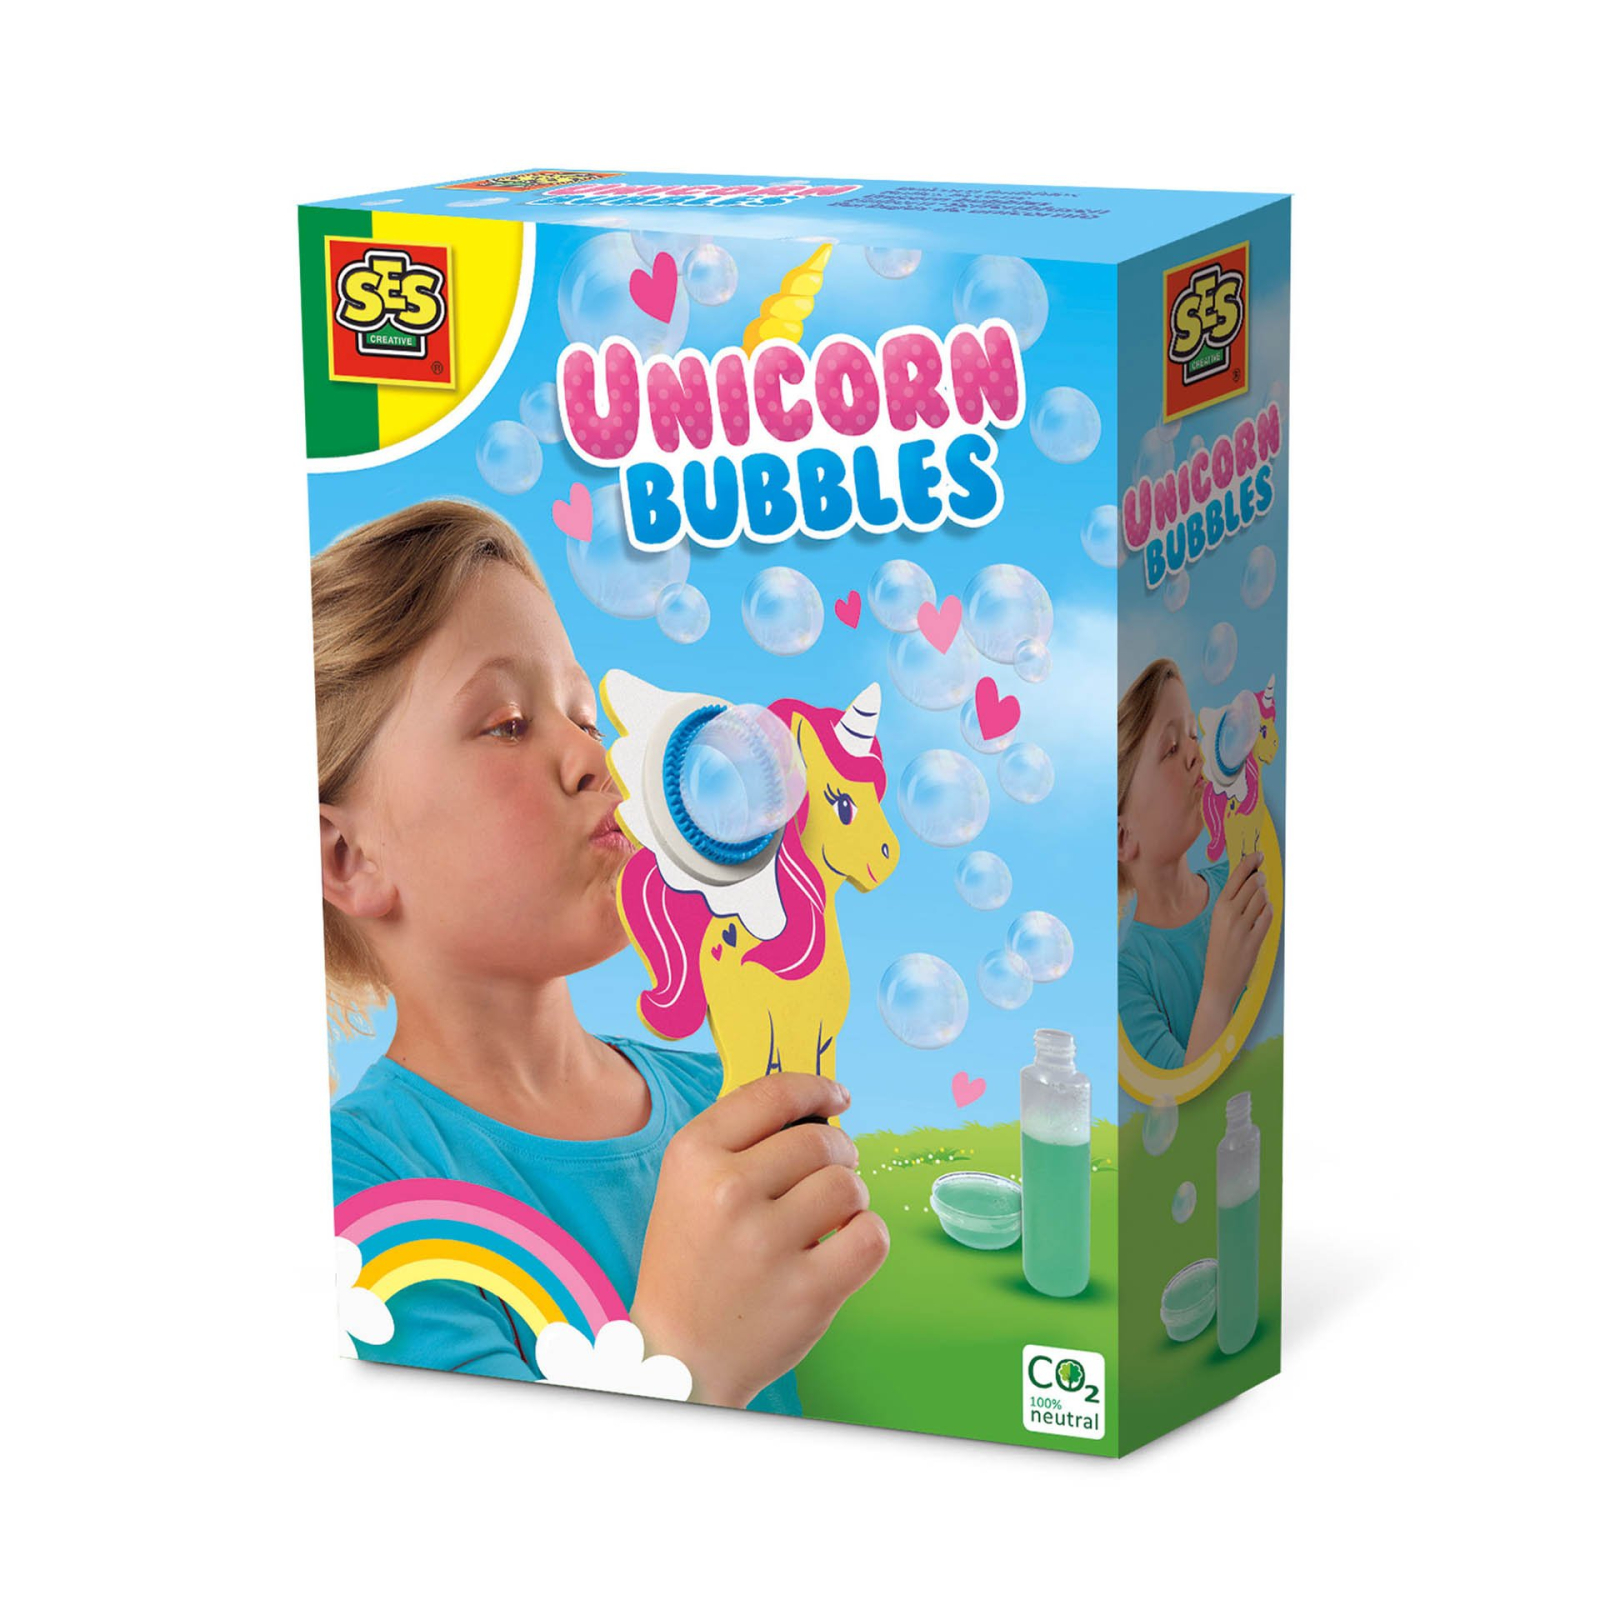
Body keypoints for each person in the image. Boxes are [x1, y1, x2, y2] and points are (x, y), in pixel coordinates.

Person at [316, 499, 888, 1410]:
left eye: (584, 717)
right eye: (508, 722)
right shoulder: (352, 1189)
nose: (598, 761)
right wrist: (685, 1358)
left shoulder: (722, 1096)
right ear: (349, 858)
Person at [1116, 658, 1272, 1072]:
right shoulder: (1128, 977)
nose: (1195, 752)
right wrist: (1219, 991)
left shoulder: (1244, 876)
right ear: (1122, 838)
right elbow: (1180, 1102)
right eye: (1171, 748)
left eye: (1192, 735)